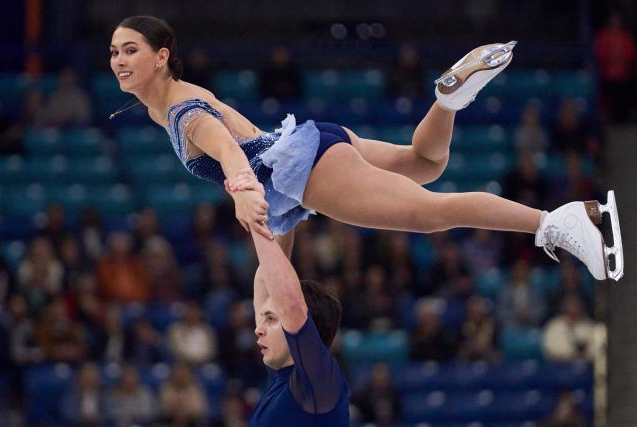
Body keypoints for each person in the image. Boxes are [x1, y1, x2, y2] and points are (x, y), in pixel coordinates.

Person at [109, 16, 622, 281]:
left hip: (303, 166)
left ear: (162, 57)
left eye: (131, 50)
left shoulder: (180, 110)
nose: (118, 59)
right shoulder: (165, 104)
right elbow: (256, 164)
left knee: (431, 214)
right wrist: (272, 264)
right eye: (113, 51)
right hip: (308, 148)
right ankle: (447, 99)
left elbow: (227, 149)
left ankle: (555, 222)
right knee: (424, 163)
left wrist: (242, 192)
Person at [244, 225, 348, 426]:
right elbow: (265, 280)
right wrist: (287, 218)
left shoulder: (318, 383)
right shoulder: (284, 376)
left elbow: (291, 303)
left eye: (272, 319)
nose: (258, 328)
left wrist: (253, 217)